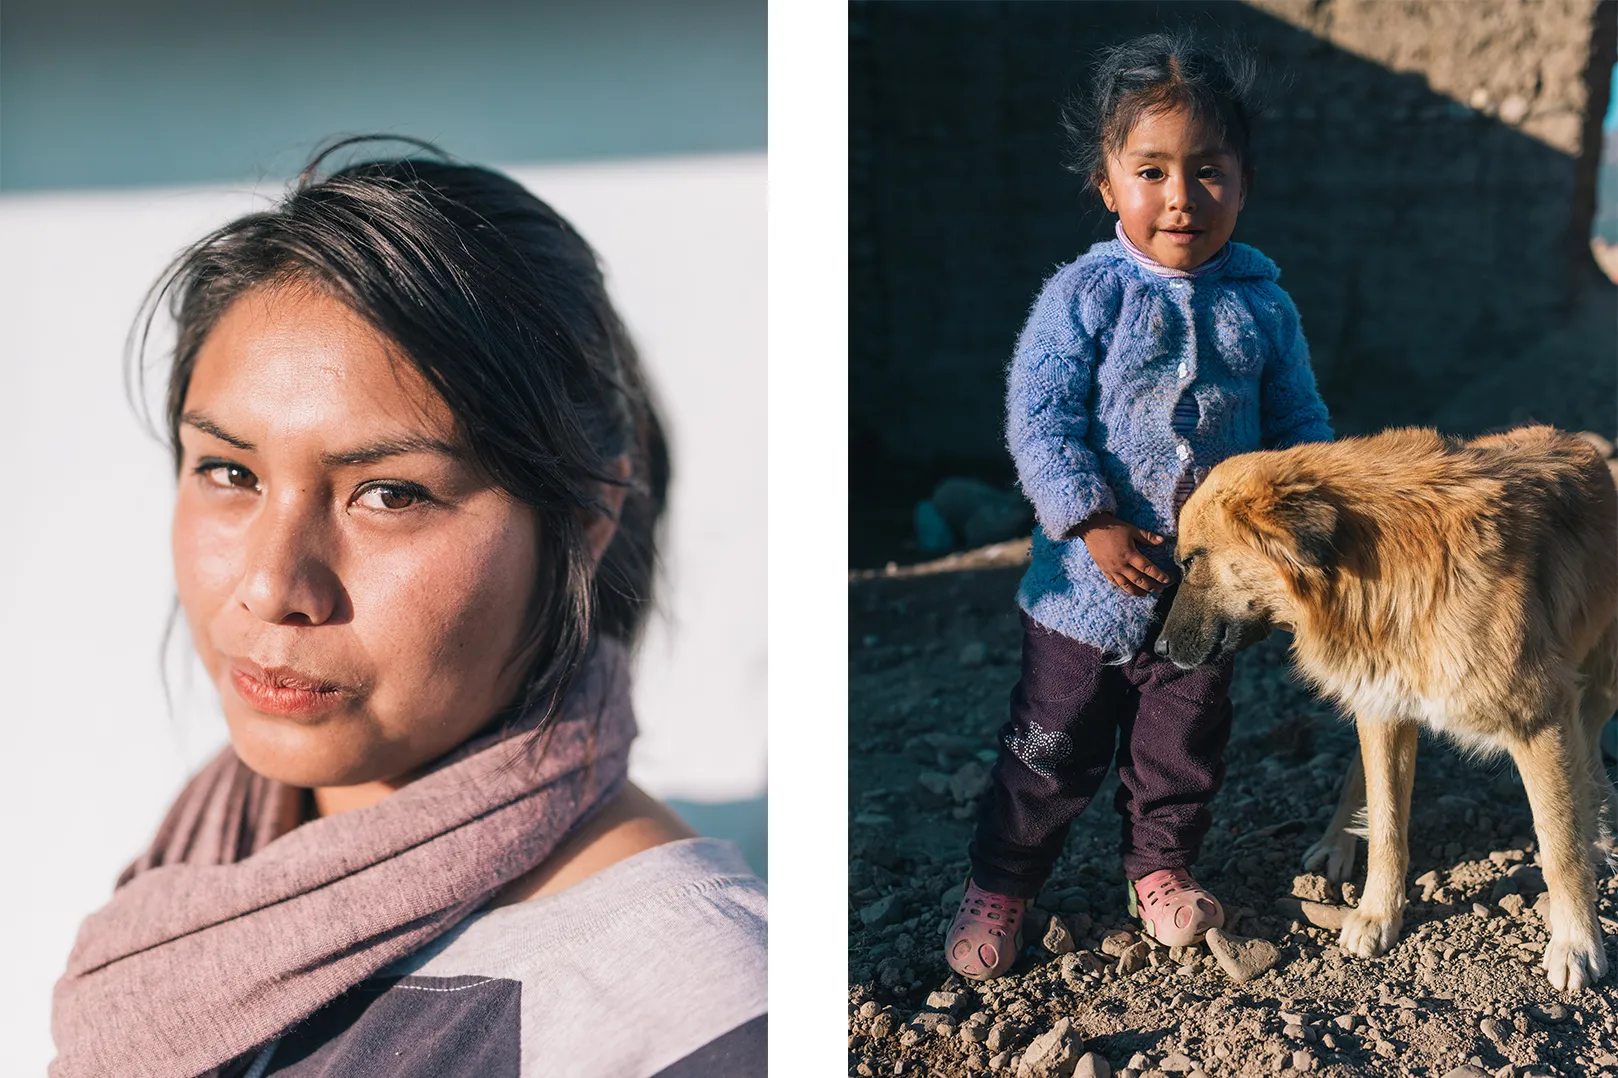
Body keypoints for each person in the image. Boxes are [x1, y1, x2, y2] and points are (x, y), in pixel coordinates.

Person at [49, 137, 766, 1077]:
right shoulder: (199, 880)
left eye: (388, 493)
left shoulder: (687, 1010)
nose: (271, 586)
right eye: (230, 472)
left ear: (588, 513)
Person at [945, 32, 1333, 981]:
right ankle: (1004, 883)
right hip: (1086, 592)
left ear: (1243, 184)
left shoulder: (1263, 306)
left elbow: (1298, 425)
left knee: (1184, 749)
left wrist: (1311, 513)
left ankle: (1160, 869)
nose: (1181, 198)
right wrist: (1089, 518)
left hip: (1209, 594)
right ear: (1107, 182)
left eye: (1209, 172)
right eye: (1152, 170)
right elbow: (1038, 419)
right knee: (1049, 748)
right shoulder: (1085, 296)